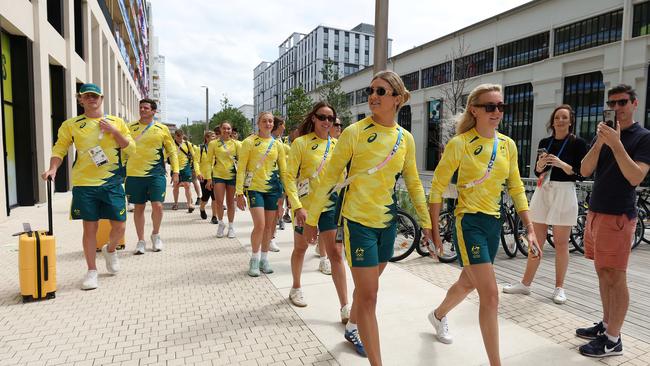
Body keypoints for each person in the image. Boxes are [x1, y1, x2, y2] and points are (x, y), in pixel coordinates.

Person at [304, 71, 433, 366]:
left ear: (397, 99)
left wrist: (426, 223)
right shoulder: (354, 132)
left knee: (366, 289)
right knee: (371, 295)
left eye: (381, 91)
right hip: (357, 222)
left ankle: (351, 327)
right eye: (371, 90)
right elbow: (328, 180)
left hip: (386, 224)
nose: (373, 96)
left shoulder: (406, 139)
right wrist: (312, 219)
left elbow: (413, 183)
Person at [427, 84, 539, 366]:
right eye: (490, 106)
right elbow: (438, 186)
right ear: (474, 109)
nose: (497, 112)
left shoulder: (507, 145)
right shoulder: (460, 143)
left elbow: (515, 187)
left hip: (494, 223)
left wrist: (530, 227)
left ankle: (438, 315)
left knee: (467, 282)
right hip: (469, 222)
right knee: (490, 295)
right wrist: (435, 231)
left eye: (501, 106)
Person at [576, 84, 650, 358]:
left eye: (622, 103)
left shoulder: (643, 137)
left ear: (634, 103)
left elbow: (635, 176)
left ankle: (613, 339)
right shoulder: (605, 136)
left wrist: (617, 145)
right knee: (602, 273)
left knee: (616, 277)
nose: (617, 108)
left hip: (618, 216)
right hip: (596, 212)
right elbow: (584, 170)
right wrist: (600, 142)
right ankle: (606, 325)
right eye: (612, 103)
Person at [285, 102, 363, 355]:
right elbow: (289, 177)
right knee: (300, 249)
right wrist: (297, 207)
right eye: (322, 117)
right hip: (307, 208)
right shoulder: (301, 144)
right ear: (314, 118)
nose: (327, 122)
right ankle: (296, 287)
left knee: (336, 254)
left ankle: (345, 306)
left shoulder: (339, 145)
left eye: (331, 118)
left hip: (331, 207)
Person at [41, 83, 135, 290]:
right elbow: (60, 148)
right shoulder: (71, 125)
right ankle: (92, 271)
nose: (91, 99)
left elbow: (131, 148)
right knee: (89, 227)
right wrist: (53, 168)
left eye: (95, 96)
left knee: (119, 225)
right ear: (80, 100)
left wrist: (113, 131)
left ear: (102, 99)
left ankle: (110, 250)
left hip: (112, 182)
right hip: (84, 183)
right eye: (87, 96)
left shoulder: (117, 122)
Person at [503, 105, 588, 304]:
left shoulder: (577, 143)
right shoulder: (545, 142)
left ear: (570, 121)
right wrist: (540, 166)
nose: (560, 120)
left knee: (560, 243)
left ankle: (559, 287)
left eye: (564, 117)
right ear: (552, 121)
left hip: (564, 191)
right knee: (535, 241)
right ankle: (525, 284)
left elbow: (581, 173)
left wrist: (561, 164)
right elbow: (537, 171)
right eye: (557, 117)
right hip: (544, 189)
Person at [236, 112, 288, 277]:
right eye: (264, 121)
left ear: (273, 124)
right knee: (260, 225)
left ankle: (265, 259)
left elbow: (283, 170)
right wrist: (238, 192)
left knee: (269, 227)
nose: (268, 123)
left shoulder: (277, 144)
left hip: (273, 189)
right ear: (258, 123)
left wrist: (286, 191)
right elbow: (242, 168)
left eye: (271, 121)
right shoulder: (249, 142)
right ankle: (254, 258)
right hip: (254, 188)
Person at [125, 98, 180, 255]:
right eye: (141, 108)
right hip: (134, 175)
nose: (142, 110)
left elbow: (172, 151)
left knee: (158, 206)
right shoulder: (130, 128)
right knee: (139, 208)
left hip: (156, 173)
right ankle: (141, 240)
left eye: (146, 108)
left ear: (154, 111)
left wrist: (176, 171)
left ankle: (155, 234)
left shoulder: (162, 129)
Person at [206, 121, 241, 238]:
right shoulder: (213, 144)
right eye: (224, 128)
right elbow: (208, 162)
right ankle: (221, 223)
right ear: (220, 129)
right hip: (218, 175)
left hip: (232, 176)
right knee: (219, 201)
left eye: (229, 129)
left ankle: (231, 226)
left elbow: (241, 162)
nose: (227, 131)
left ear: (231, 130)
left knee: (231, 203)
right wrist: (208, 178)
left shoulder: (236, 144)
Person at [269, 116, 287, 251]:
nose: (284, 127)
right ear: (278, 125)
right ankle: (268, 237)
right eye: (283, 125)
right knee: (272, 211)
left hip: (281, 178)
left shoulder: (281, 141)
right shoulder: (269, 140)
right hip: (269, 180)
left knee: (278, 208)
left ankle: (271, 237)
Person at [172, 130, 201, 212]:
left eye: (181, 137)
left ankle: (189, 204)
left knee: (187, 185)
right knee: (176, 186)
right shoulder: (171, 144)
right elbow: (165, 155)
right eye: (178, 137)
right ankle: (175, 203)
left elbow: (194, 156)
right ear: (175, 136)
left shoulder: (187, 144)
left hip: (186, 167)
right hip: (175, 168)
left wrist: (196, 166)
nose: (180, 139)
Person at [198, 130, 216, 220]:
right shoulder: (200, 149)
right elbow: (196, 162)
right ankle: (202, 208)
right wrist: (198, 172)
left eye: (215, 136)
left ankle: (214, 216)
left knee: (215, 197)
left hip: (215, 175)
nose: (214, 138)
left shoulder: (216, 148)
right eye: (212, 136)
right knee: (205, 197)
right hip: (204, 176)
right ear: (207, 138)